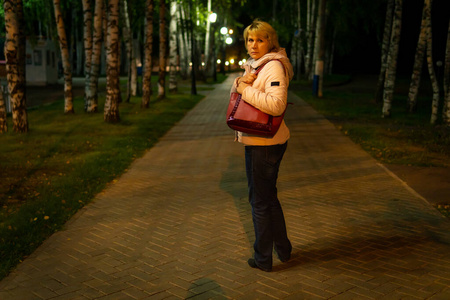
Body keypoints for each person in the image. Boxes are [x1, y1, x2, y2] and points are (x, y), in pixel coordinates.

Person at [230, 19, 294, 272]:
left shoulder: (274, 67)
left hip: (264, 143)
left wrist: (244, 89)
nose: (254, 45)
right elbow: (241, 97)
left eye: (260, 40)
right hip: (258, 140)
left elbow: (276, 105)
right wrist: (240, 83)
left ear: (270, 42)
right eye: (250, 40)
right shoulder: (257, 66)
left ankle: (263, 259)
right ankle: (284, 249)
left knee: (259, 201)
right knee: (267, 198)